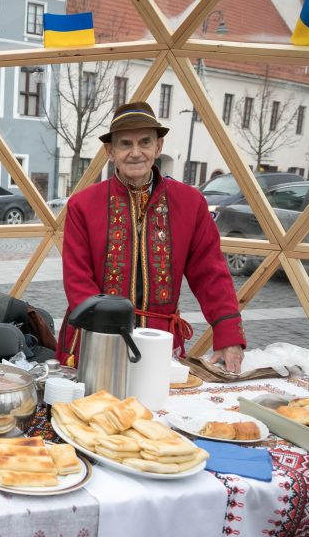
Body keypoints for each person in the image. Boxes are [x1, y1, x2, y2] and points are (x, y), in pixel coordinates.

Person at [58, 101, 246, 373]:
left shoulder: (190, 202)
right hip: (95, 341)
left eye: (145, 142)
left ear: (158, 147)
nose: (136, 153)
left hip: (160, 345)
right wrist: (110, 336)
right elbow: (77, 281)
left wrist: (229, 334)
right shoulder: (82, 205)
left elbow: (211, 273)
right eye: (125, 144)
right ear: (110, 151)